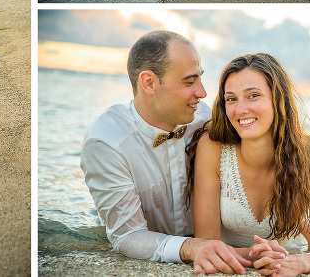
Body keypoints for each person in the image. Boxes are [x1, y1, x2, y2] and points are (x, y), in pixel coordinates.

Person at [81, 30, 254, 273]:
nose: (203, 92)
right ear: (149, 83)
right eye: (189, 81)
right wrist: (193, 248)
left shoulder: (206, 120)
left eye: (200, 79)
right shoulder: (107, 143)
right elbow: (127, 236)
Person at [186, 54, 310, 276]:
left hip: (285, 256)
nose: (240, 110)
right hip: (249, 258)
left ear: (278, 99)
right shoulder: (213, 147)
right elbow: (208, 244)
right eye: (231, 99)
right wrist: (255, 255)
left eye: (253, 96)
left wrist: (298, 263)